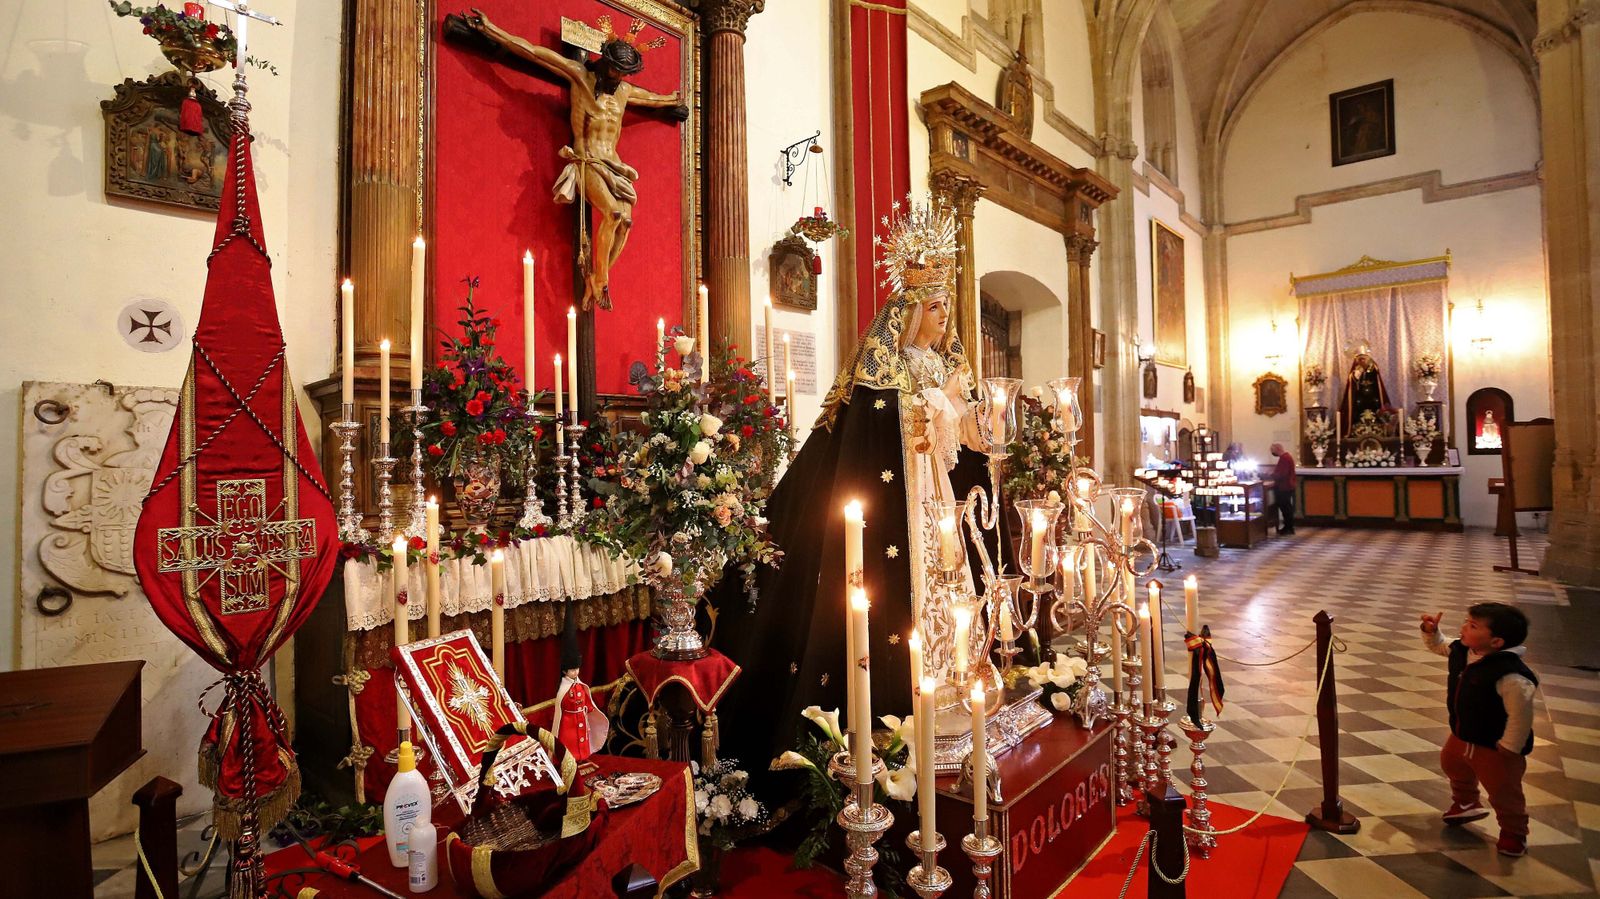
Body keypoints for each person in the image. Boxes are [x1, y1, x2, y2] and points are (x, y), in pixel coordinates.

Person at [712, 197, 1005, 785]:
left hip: (937, 500)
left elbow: (959, 439)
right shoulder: (887, 368)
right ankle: (905, 695)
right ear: (911, 309)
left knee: (950, 587)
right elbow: (891, 425)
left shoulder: (942, 363)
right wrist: (942, 403)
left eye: (946, 307)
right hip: (904, 499)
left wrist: (978, 418)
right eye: (935, 307)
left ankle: (952, 681)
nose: (945, 318)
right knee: (915, 588)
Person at [462, 10, 687, 310]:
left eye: (624, 72)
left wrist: (674, 100)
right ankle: (601, 280)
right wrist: (491, 30)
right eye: (616, 70)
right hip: (587, 161)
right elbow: (534, 53)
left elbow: (655, 99)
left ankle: (596, 277)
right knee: (614, 215)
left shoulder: (624, 92)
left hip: (615, 166)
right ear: (606, 61)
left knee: (627, 222)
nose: (619, 77)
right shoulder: (579, 76)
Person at [1419, 603, 1537, 858]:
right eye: (1466, 621)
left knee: (1503, 789)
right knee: (1452, 763)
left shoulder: (1512, 675)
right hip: (1464, 731)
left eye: (1472, 626)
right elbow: (1440, 645)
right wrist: (1431, 632)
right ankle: (1466, 802)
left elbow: (1521, 716)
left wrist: (1510, 746)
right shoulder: (1464, 649)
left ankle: (1514, 833)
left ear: (1496, 642)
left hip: (1496, 746)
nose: (1463, 627)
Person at [1269, 442, 1296, 535]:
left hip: (1284, 487)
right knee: (1286, 507)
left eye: (1272, 450)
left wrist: (1270, 475)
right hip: (1286, 486)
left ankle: (1288, 528)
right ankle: (1288, 527)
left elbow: (1282, 474)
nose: (1272, 453)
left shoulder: (1284, 458)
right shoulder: (1286, 457)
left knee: (1286, 508)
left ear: (1277, 449)